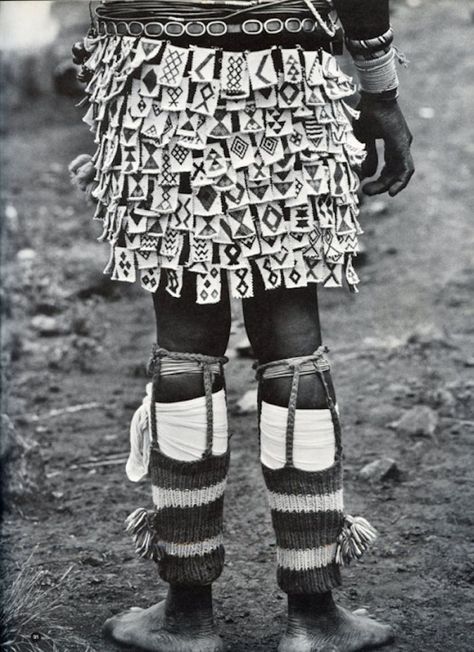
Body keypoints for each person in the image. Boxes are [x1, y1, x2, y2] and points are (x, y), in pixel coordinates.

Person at [69, 0, 414, 650]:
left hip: (152, 72)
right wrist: (381, 89)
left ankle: (186, 613)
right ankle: (312, 617)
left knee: (184, 336)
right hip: (283, 65)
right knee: (290, 331)